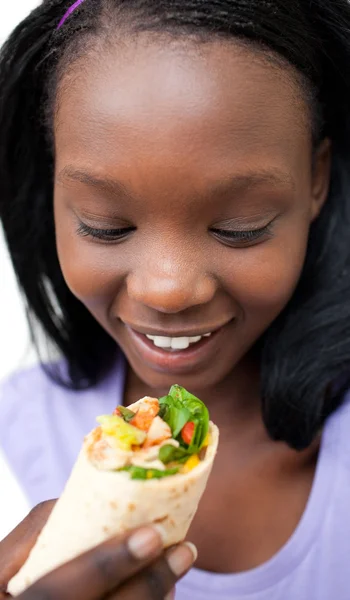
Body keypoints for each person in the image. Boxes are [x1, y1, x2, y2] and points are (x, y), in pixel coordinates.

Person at [1, 0, 350, 598]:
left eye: (240, 226)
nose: (166, 289)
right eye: (105, 225)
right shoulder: (14, 439)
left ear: (316, 179)